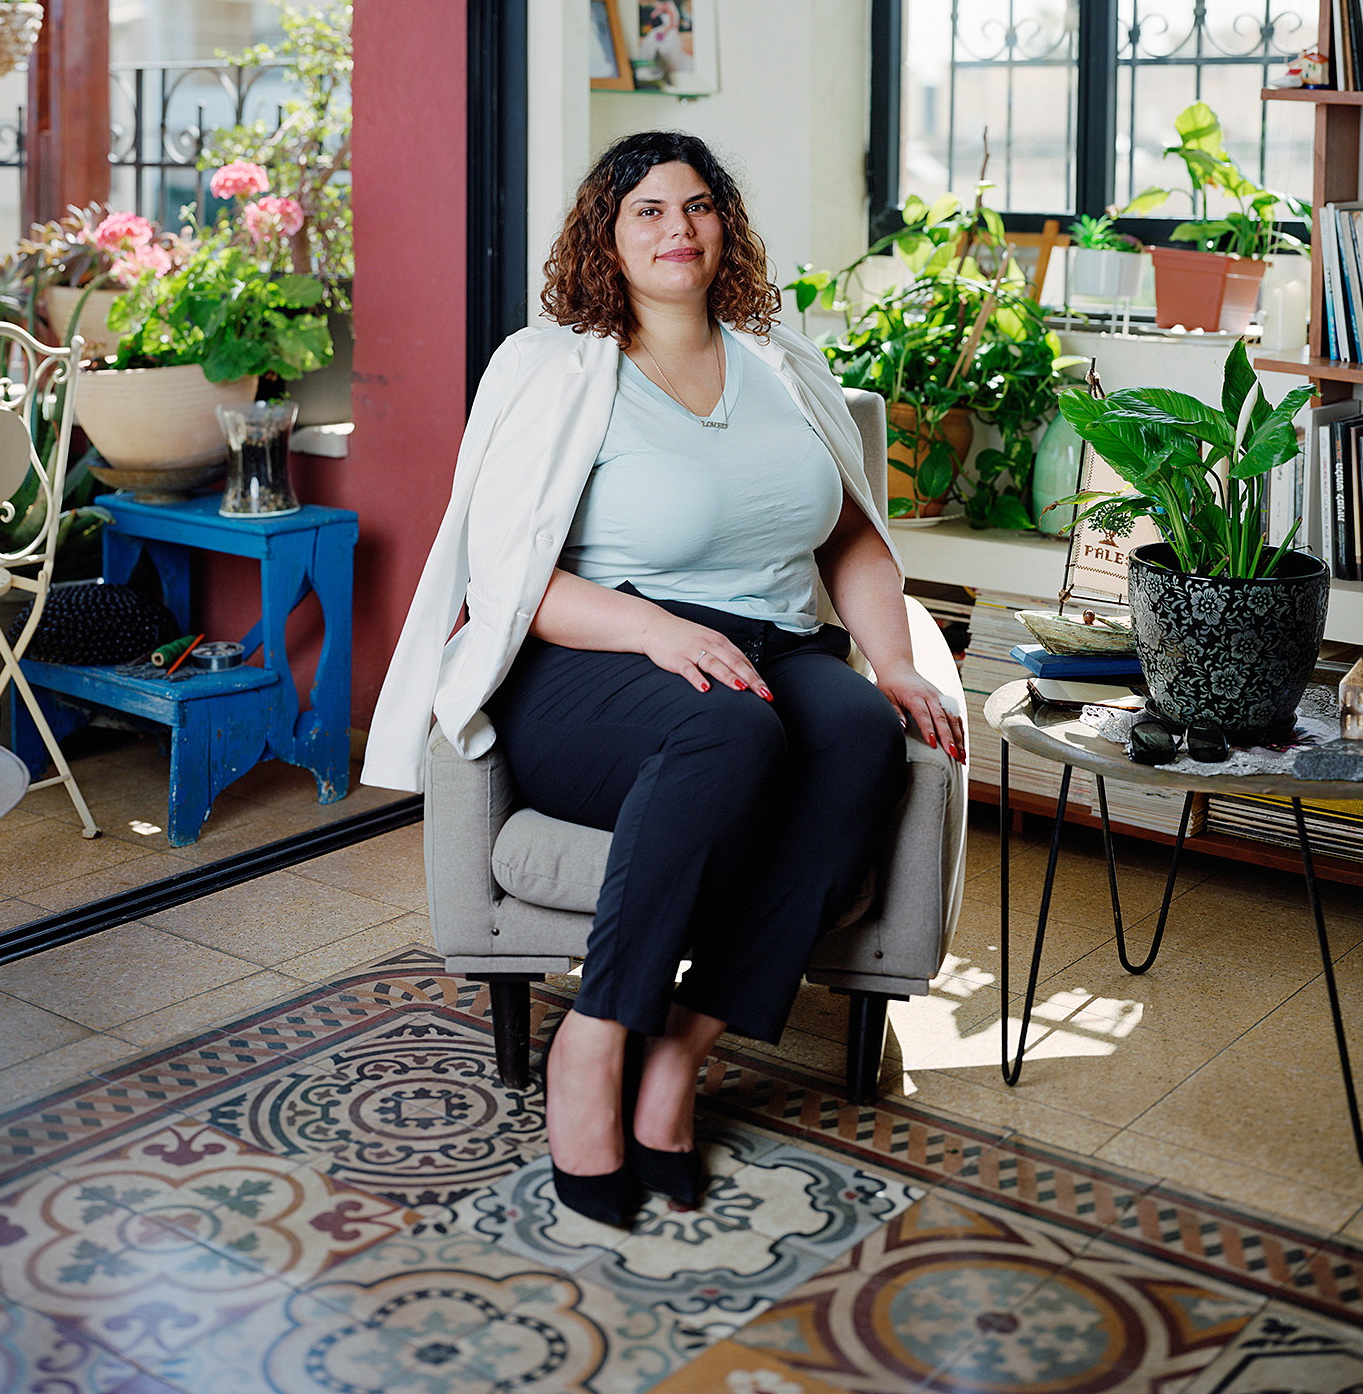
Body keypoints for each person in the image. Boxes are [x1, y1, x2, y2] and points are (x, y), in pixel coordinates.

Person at [364, 131, 964, 1228]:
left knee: (861, 738)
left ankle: (678, 1053)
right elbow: (510, 581)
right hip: (592, 655)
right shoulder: (548, 370)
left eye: (695, 206)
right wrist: (648, 629)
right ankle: (592, 1043)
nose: (674, 228)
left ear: (722, 225)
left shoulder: (788, 366)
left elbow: (851, 540)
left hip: (775, 641)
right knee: (735, 733)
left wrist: (890, 662)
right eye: (645, 209)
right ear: (606, 232)